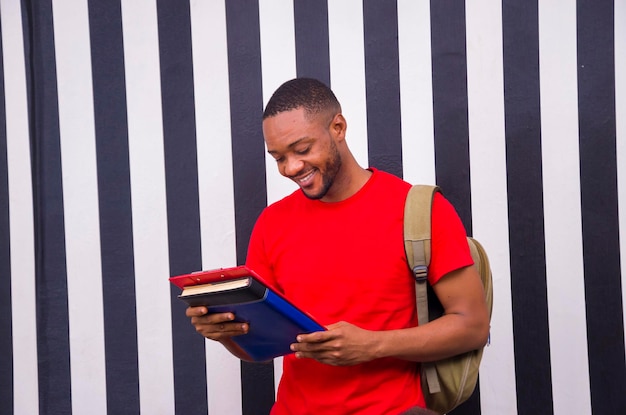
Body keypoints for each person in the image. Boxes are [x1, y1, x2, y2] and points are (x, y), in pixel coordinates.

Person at [186, 78, 490, 414]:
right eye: (278, 158)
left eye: (302, 150)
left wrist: (373, 345)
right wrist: (226, 332)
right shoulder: (272, 224)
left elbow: (472, 326)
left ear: (339, 127)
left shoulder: (419, 211)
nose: (291, 168)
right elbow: (260, 346)